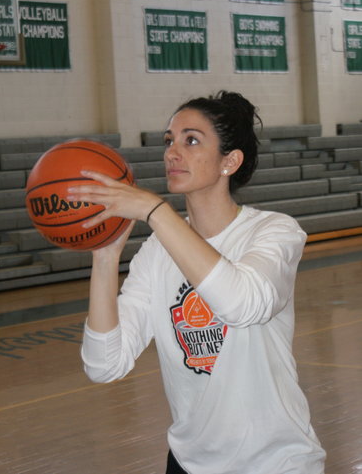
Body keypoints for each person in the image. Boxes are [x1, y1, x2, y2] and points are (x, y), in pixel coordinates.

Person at [68, 90, 326, 474]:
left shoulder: (274, 232)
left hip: (274, 461)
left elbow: (241, 304)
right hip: (190, 463)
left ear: (230, 161)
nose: (172, 152)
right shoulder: (157, 253)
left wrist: (154, 210)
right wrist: (104, 255)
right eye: (169, 140)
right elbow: (104, 365)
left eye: (191, 140)